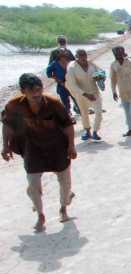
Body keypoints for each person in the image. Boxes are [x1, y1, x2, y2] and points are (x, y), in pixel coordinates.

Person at [2, 74, 77, 232]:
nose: (36, 94)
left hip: (56, 147)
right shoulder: (14, 105)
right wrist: (5, 145)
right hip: (32, 148)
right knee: (33, 183)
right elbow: (7, 125)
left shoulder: (53, 104)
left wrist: (71, 146)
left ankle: (63, 208)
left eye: (39, 90)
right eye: (31, 91)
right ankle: (40, 215)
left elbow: (68, 125)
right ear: (23, 91)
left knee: (65, 180)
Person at [66, 49, 104, 142]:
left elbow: (101, 72)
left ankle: (95, 131)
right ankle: (87, 131)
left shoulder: (91, 64)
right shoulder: (72, 67)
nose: (83, 58)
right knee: (84, 113)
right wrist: (85, 94)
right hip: (81, 94)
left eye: (85, 55)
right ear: (76, 57)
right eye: (81, 56)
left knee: (98, 112)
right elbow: (72, 84)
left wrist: (100, 78)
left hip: (94, 92)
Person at [110, 46, 131, 139]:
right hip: (122, 92)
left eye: (119, 53)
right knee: (127, 112)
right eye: (115, 53)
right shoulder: (113, 65)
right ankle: (130, 129)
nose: (117, 55)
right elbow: (113, 80)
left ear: (123, 52)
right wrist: (114, 91)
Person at [46, 49, 74, 117]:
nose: (64, 55)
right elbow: (49, 73)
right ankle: (68, 113)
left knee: (76, 97)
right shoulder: (54, 64)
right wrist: (58, 80)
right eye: (62, 54)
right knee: (65, 100)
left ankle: (80, 110)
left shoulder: (71, 62)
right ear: (59, 55)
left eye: (65, 54)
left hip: (72, 83)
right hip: (61, 84)